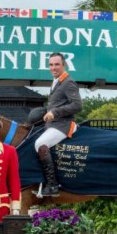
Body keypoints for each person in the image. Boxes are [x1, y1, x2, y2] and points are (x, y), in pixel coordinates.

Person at [34, 52, 82, 196]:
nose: (53, 68)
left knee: (40, 144)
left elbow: (77, 105)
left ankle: (53, 185)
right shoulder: (57, 81)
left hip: (63, 125)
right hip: (53, 124)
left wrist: (55, 112)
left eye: (57, 64)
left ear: (64, 65)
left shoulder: (68, 82)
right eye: (51, 65)